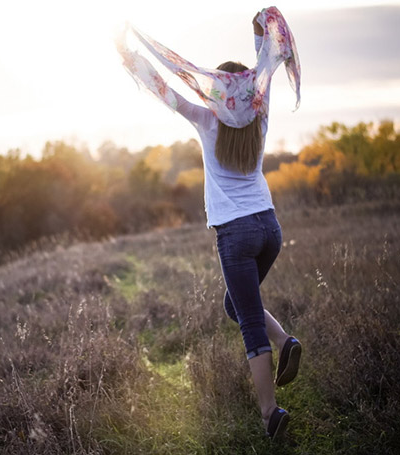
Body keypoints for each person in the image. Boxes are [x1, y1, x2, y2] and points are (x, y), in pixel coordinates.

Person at [117, 8, 302, 439]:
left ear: (219, 94)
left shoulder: (206, 119)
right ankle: (286, 343)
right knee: (236, 306)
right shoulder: (260, 113)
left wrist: (128, 55)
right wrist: (261, 31)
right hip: (269, 229)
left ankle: (269, 414)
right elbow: (265, 70)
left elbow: (164, 88)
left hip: (235, 234)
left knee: (247, 319)